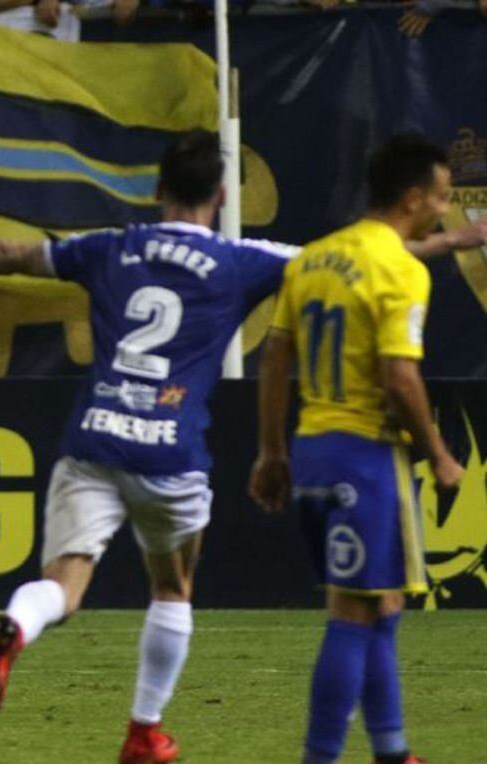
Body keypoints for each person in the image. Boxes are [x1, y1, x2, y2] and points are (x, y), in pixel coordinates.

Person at [0, 130, 300, 764]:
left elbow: (6, 255)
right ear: (222, 196)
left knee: (62, 586)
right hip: (170, 454)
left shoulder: (109, 247)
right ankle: (144, 732)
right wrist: (434, 242)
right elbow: (352, 259)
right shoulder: (246, 260)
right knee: (172, 589)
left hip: (95, 440)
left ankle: (17, 625)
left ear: (157, 188)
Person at [248, 133, 465, 764]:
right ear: (412, 198)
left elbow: (275, 358)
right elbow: (400, 377)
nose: (444, 210)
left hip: (312, 452)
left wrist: (271, 451)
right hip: (365, 459)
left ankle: (392, 752)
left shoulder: (312, 260)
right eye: (442, 198)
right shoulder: (401, 270)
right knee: (352, 613)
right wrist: (439, 454)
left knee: (381, 603)